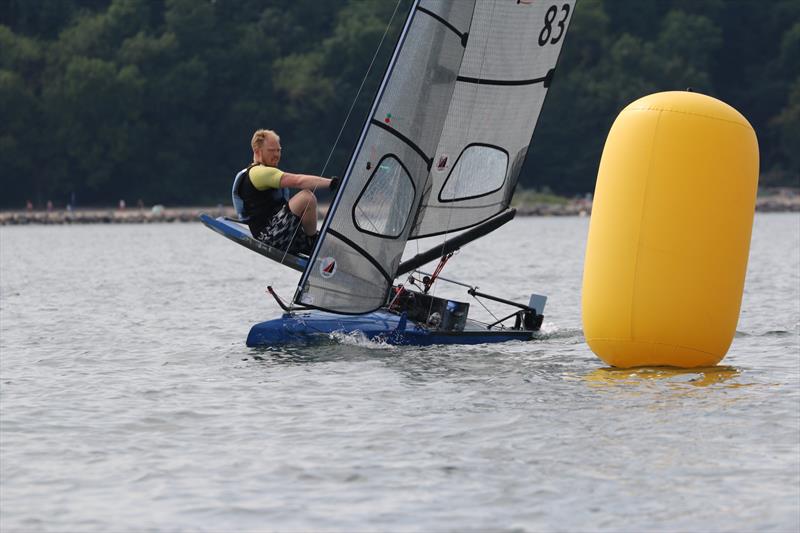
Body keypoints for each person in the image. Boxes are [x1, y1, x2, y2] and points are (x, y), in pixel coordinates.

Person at [233, 129, 339, 255]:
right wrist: (332, 183)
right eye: (272, 150)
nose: (277, 154)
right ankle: (312, 241)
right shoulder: (259, 173)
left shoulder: (266, 171)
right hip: (269, 237)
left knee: (337, 247)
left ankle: (314, 242)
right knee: (306, 197)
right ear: (257, 151)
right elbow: (298, 181)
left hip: (283, 234)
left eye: (278, 150)